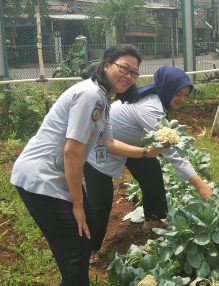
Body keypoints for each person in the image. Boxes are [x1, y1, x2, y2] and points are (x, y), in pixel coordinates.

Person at [10, 44, 161, 286]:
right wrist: (77, 204)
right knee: (76, 251)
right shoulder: (90, 95)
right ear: (106, 65)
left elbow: (109, 144)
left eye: (134, 73)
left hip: (55, 174)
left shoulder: (102, 99)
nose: (129, 76)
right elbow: (72, 151)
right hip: (40, 177)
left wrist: (145, 152)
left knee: (85, 231)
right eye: (124, 68)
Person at [83, 66, 212, 264]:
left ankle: (154, 219)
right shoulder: (151, 108)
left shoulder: (159, 100)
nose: (181, 99)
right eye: (178, 94)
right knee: (101, 201)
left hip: (130, 144)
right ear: (167, 88)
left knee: (151, 173)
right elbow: (172, 154)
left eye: (185, 95)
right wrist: (201, 185)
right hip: (101, 148)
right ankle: (89, 249)